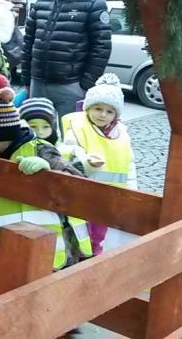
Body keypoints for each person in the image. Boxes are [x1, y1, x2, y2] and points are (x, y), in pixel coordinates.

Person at [0, 81, 91, 270]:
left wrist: (49, 172)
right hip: (15, 254)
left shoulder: (41, 150)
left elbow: (79, 184)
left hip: (53, 259)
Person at [22, 0, 112, 117]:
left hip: (71, 85)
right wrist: (27, 79)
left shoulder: (93, 3)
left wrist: (85, 84)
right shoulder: (41, 3)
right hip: (38, 83)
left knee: (69, 135)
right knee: (37, 134)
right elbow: (28, 43)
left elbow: (101, 47)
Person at [61, 73, 138, 255]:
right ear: (88, 108)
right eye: (98, 108)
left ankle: (94, 259)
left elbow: (130, 165)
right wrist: (84, 161)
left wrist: (132, 192)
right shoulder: (77, 126)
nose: (103, 115)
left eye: (109, 111)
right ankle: (77, 259)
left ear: (116, 115)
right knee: (79, 231)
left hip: (109, 197)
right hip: (82, 193)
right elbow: (67, 150)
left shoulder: (122, 134)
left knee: (99, 234)